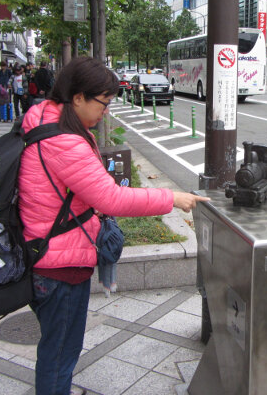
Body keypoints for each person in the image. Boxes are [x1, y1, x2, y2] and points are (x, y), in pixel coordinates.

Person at [18, 56, 209, 395]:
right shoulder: (65, 141)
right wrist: (172, 199)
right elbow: (111, 199)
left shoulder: (44, 119)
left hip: (44, 252)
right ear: (78, 97)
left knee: (55, 347)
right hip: (59, 266)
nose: (106, 111)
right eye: (103, 102)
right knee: (60, 353)